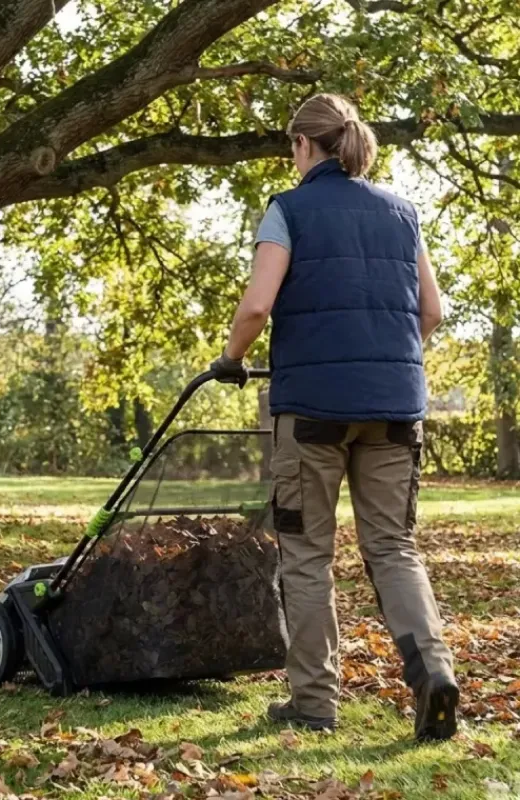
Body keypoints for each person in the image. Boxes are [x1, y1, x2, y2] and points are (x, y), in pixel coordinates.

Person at [211, 93, 458, 741]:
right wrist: (385, 363)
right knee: (393, 548)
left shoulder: (288, 210)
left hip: (312, 414)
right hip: (396, 411)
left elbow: (257, 306)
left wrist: (231, 359)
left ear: (303, 145)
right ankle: (434, 673)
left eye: (291, 147)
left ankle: (314, 703)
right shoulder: (403, 214)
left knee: (306, 554)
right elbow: (431, 312)